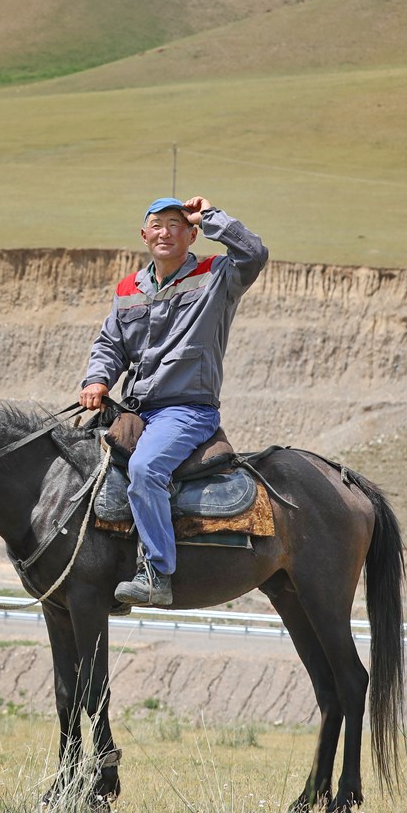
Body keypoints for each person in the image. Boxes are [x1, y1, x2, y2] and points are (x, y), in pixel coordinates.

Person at [80, 196, 268, 606]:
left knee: (145, 469)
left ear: (191, 234)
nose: (165, 232)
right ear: (144, 235)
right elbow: (110, 344)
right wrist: (97, 379)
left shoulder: (216, 275)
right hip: (135, 410)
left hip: (187, 409)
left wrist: (212, 216)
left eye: (175, 224)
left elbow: (254, 253)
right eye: (157, 225)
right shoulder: (128, 288)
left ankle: (156, 573)